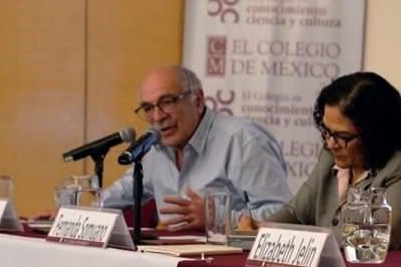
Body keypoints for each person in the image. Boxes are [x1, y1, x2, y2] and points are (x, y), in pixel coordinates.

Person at [258, 71, 401, 252]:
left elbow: (374, 240)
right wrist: (260, 229)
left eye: (342, 136)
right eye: (326, 132)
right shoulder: (329, 158)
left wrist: (301, 238)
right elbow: (296, 213)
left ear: (374, 134)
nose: (330, 143)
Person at [101, 65, 291, 230]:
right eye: (148, 108)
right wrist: (81, 208)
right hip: (171, 261)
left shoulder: (241, 140)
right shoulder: (155, 145)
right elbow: (124, 192)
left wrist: (217, 218)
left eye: (167, 102)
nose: (157, 117)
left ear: (198, 101)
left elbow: (283, 215)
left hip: (231, 263)